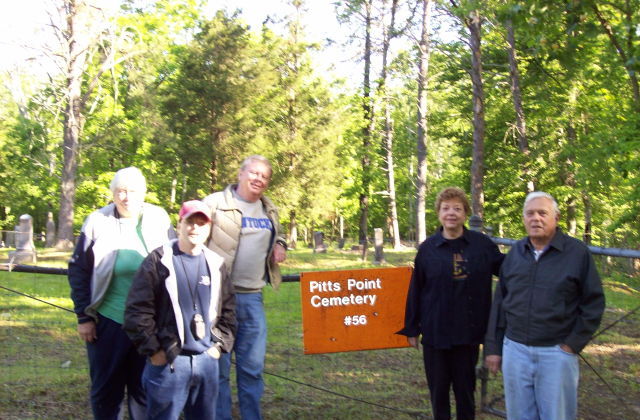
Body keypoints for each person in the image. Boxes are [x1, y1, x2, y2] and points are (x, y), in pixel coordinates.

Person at [484, 191, 605, 420]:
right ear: (523, 219)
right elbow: (500, 303)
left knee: (556, 415)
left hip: (556, 352)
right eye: (530, 213)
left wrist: (572, 345)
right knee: (519, 415)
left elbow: (594, 303)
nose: (535, 218)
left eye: (542, 213)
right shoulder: (515, 254)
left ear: (556, 218)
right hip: (515, 350)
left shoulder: (577, 253)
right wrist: (493, 348)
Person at [68, 167, 176, 419]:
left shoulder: (159, 218)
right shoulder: (97, 221)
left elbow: (174, 262)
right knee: (107, 390)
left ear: (144, 192)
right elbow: (78, 270)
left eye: (133, 191)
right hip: (108, 321)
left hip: (149, 323)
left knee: (144, 388)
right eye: (121, 191)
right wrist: (84, 317)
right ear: (113, 193)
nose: (126, 197)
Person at [123, 200, 236, 420]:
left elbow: (229, 311)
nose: (195, 228)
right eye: (190, 222)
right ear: (179, 224)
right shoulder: (159, 261)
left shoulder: (216, 263)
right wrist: (155, 352)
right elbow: (137, 312)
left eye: (201, 223)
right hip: (170, 363)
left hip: (207, 362)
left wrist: (219, 347)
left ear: (209, 228)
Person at [397, 187, 503, 420]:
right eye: (446, 208)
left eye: (457, 208)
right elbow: (416, 289)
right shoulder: (427, 249)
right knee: (438, 392)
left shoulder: (482, 245)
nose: (451, 213)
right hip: (436, 333)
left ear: (465, 213)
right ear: (439, 213)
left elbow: (508, 270)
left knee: (465, 391)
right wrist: (412, 327)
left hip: (468, 333)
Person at [203, 154, 287, 420]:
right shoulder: (215, 203)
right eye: (254, 173)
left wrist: (281, 244)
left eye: (264, 176)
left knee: (252, 368)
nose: (258, 179)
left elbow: (278, 233)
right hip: (218, 299)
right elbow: (189, 234)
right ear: (240, 174)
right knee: (218, 367)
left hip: (253, 299)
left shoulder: (268, 209)